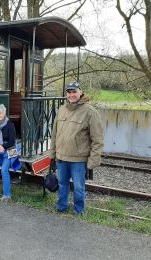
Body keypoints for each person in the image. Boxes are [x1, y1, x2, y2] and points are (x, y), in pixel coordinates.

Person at [50, 82, 104, 214]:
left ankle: (79, 211)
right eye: (69, 92)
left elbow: (97, 140)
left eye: (74, 92)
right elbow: (54, 134)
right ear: (66, 94)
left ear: (81, 92)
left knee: (79, 187)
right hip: (61, 157)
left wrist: (93, 161)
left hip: (78, 159)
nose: (71, 95)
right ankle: (62, 207)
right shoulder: (62, 110)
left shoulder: (90, 112)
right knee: (62, 185)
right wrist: (52, 154)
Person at [0, 104, 21, 202]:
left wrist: (2, 146)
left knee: (4, 170)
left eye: (0, 113)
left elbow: (12, 141)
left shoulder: (10, 124)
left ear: (4, 113)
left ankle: (7, 195)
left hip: (11, 149)